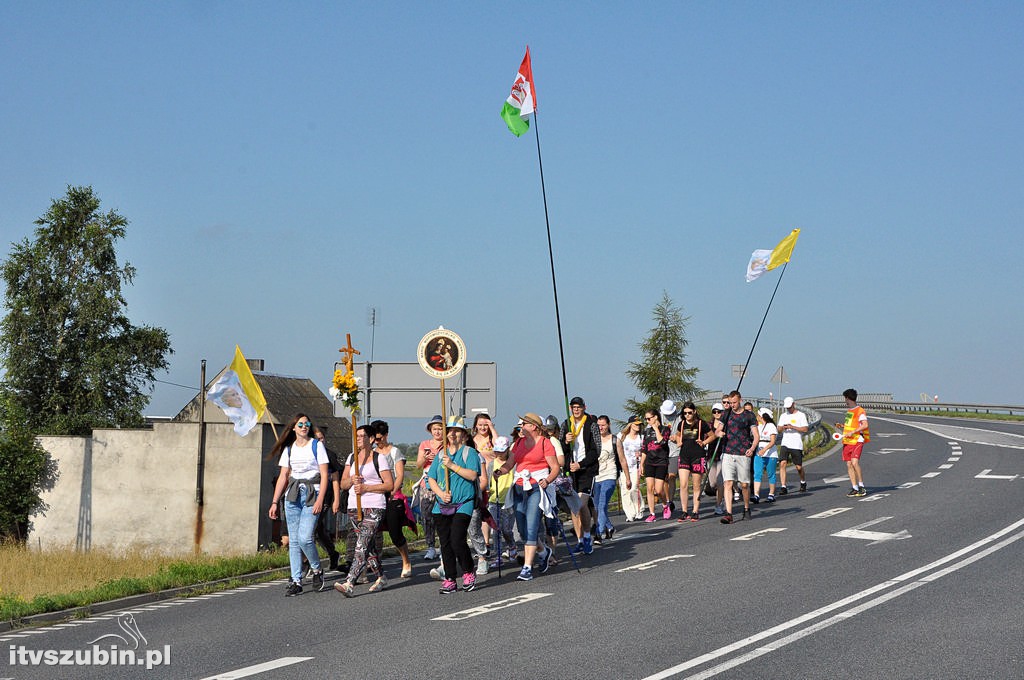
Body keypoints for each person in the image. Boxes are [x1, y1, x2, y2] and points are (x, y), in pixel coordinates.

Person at [268, 413, 330, 596]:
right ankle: (296, 580)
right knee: (294, 541)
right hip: (292, 495)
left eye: (307, 424)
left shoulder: (316, 446)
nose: (304, 427)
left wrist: (320, 500)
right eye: (300, 424)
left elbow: (325, 475)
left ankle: (317, 569)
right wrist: (274, 502)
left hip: (313, 493)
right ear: (294, 428)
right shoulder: (289, 449)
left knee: (305, 538)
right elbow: (283, 476)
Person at [495, 412, 559, 581]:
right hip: (519, 487)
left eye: (524, 424)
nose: (521, 426)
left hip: (537, 487)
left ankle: (527, 568)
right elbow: (510, 464)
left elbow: (555, 467)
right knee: (523, 530)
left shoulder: (545, 443)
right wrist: (500, 472)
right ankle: (544, 552)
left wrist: (547, 480)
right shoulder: (518, 443)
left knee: (531, 526)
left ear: (534, 427)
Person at [335, 424, 394, 597]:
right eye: (357, 436)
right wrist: (352, 480)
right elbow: (343, 483)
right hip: (355, 505)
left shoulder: (379, 458)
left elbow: (389, 484)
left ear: (370, 439)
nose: (358, 439)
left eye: (361, 436)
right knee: (368, 547)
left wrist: (367, 487)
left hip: (375, 505)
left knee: (362, 543)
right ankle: (381, 577)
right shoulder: (352, 458)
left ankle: (349, 582)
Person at [426, 416, 482, 594]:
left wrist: (452, 465)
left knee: (457, 539)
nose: (452, 434)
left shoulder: (469, 453)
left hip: (463, 503)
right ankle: (450, 578)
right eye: (449, 431)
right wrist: (441, 493)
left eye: (456, 431)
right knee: (445, 543)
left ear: (464, 434)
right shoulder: (441, 454)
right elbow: (431, 478)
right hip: (441, 505)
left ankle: (467, 571)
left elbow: (473, 475)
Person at [372, 420, 413, 578]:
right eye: (375, 439)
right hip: (376, 496)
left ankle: (406, 560)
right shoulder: (372, 454)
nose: (378, 442)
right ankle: (374, 564)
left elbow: (400, 474)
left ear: (386, 435)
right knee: (372, 532)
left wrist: (392, 491)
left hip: (393, 496)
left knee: (395, 533)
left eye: (380, 438)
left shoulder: (394, 452)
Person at [560, 396, 599, 553]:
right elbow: (560, 449)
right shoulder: (566, 424)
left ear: (584, 407)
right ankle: (580, 539)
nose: (576, 409)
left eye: (579, 407)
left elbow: (596, 450)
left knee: (581, 504)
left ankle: (588, 535)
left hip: (586, 470)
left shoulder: (591, 425)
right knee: (573, 508)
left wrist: (581, 464)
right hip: (571, 472)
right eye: (573, 407)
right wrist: (565, 440)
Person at [718, 391, 758, 524]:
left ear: (740, 400)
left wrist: (752, 449)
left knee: (744, 484)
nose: (732, 405)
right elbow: (718, 430)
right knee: (728, 482)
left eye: (734, 402)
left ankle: (746, 508)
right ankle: (729, 513)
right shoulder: (726, 414)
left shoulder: (749, 415)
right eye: (730, 402)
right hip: (728, 452)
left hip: (743, 452)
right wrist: (719, 433)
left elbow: (756, 436)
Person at [674, 402, 716, 522]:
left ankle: (695, 511)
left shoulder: (702, 423)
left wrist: (704, 442)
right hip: (684, 456)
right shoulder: (681, 424)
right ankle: (684, 511)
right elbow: (677, 435)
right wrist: (678, 441)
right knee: (683, 484)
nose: (687, 415)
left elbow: (712, 436)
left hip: (698, 456)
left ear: (694, 412)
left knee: (696, 485)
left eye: (689, 413)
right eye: (685, 413)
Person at [310, 428, 342, 572]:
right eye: (317, 439)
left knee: (312, 527)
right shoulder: (308, 453)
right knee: (317, 529)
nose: (320, 441)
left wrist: (336, 499)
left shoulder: (329, 455)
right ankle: (332, 553)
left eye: (322, 438)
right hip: (309, 496)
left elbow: (335, 478)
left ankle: (308, 561)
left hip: (325, 496)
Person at [593, 415, 629, 540]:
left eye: (603, 425)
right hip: (597, 476)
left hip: (610, 474)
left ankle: (598, 533)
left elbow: (622, 460)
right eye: (598, 425)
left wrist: (627, 478)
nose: (601, 428)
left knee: (602, 504)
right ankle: (609, 527)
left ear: (608, 425)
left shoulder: (615, 440)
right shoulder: (593, 440)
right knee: (597, 507)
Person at [416, 415, 445, 560]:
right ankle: (430, 546)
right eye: (435, 429)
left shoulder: (447, 444)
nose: (437, 432)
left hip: (442, 483)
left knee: (442, 515)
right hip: (426, 484)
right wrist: (426, 458)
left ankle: (443, 545)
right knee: (427, 515)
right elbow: (418, 464)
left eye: (440, 428)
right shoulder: (424, 444)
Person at [472, 413, 500, 555]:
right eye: (480, 424)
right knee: (481, 509)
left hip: (494, 476)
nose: (483, 427)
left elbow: (499, 444)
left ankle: (493, 539)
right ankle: (485, 542)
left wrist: (492, 428)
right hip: (479, 477)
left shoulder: (492, 439)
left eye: (486, 424)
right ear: (475, 425)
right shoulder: (472, 441)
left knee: (492, 509)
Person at [487, 436, 517, 569]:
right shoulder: (492, 464)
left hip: (509, 500)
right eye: (497, 451)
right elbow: (488, 480)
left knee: (506, 529)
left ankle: (512, 545)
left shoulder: (512, 463)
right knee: (496, 530)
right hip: (494, 500)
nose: (499, 454)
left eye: (502, 451)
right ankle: (498, 556)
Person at [837, 388, 870, 496]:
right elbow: (851, 425)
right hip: (847, 441)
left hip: (857, 440)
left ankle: (861, 486)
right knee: (849, 464)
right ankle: (854, 488)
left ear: (848, 398)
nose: (844, 401)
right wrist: (842, 426)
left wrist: (853, 432)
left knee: (855, 462)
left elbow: (865, 425)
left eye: (845, 398)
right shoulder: (849, 412)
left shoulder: (859, 410)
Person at [641, 409, 672, 522]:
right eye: (646, 419)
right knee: (649, 488)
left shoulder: (665, 429)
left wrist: (655, 428)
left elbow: (662, 441)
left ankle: (665, 505)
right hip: (649, 461)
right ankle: (652, 513)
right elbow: (644, 449)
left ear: (656, 417)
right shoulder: (646, 431)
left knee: (658, 490)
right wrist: (641, 465)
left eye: (649, 418)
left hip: (661, 461)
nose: (648, 421)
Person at [777, 397, 809, 493]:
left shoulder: (801, 415)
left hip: (796, 444)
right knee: (782, 463)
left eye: (790, 407)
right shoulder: (783, 416)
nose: (788, 409)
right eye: (787, 408)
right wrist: (783, 427)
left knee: (798, 467)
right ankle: (783, 486)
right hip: (785, 442)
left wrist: (793, 427)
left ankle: (803, 481)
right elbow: (778, 429)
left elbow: (805, 429)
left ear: (793, 404)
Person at [618, 415, 646, 521]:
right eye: (636, 424)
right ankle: (630, 513)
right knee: (625, 490)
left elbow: (645, 451)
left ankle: (639, 509)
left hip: (636, 466)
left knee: (634, 488)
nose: (638, 426)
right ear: (630, 425)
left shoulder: (641, 437)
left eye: (639, 424)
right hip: (624, 467)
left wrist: (641, 457)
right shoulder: (621, 436)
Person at [751, 408, 779, 503]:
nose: (757, 417)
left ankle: (771, 494)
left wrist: (764, 449)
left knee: (771, 474)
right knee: (757, 474)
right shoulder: (758, 427)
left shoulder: (771, 426)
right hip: (759, 452)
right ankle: (756, 495)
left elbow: (773, 441)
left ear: (762, 416)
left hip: (770, 453)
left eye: (758, 415)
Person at [661, 400, 682, 518]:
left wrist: (677, 436)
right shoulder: (658, 416)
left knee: (672, 476)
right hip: (663, 451)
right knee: (664, 478)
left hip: (675, 450)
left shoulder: (679, 418)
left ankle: (670, 500)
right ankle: (667, 499)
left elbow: (684, 431)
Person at [709, 403, 727, 515]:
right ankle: (723, 496)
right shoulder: (709, 424)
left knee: (720, 481)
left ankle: (719, 504)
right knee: (712, 483)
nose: (717, 414)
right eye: (714, 411)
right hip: (711, 454)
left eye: (719, 411)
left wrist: (724, 434)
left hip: (722, 454)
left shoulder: (726, 424)